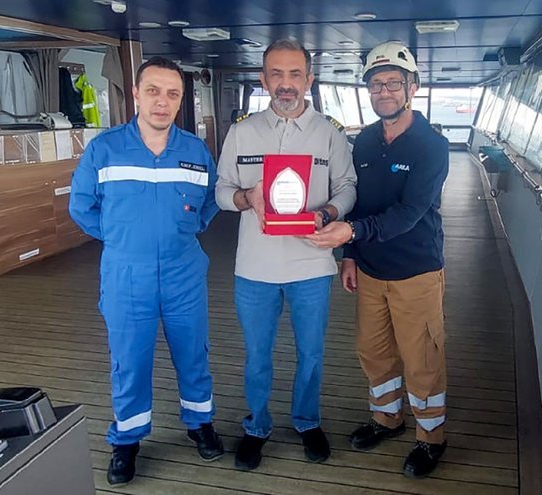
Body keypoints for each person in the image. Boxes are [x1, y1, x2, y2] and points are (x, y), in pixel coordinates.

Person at [70, 56, 223, 486]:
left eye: (172, 94)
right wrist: (121, 237)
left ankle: (200, 423)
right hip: (126, 274)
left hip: (183, 272)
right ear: (136, 94)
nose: (162, 102)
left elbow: (210, 201)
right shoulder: (104, 149)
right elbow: (81, 206)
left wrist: (184, 230)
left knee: (193, 354)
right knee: (129, 361)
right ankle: (127, 439)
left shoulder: (195, 151)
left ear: (180, 100)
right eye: (153, 91)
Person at [306, 41, 450, 478]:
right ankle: (387, 419)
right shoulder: (364, 142)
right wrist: (350, 255)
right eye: (376, 84)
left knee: (422, 359)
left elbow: (410, 213)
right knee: (374, 350)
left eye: (392, 83)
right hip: (369, 269)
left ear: (412, 87)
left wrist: (351, 234)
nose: (383, 91)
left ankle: (431, 438)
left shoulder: (432, 146)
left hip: (416, 271)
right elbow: (358, 202)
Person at [215, 38, 357, 471]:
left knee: (311, 353)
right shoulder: (242, 131)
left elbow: (347, 187)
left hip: (312, 264)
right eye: (276, 73)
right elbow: (221, 191)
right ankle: (257, 426)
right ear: (263, 79)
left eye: (295, 74)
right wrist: (246, 197)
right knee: (257, 356)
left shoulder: (329, 133)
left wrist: (327, 213)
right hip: (254, 267)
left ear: (309, 80)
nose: (286, 83)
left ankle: (307, 421)